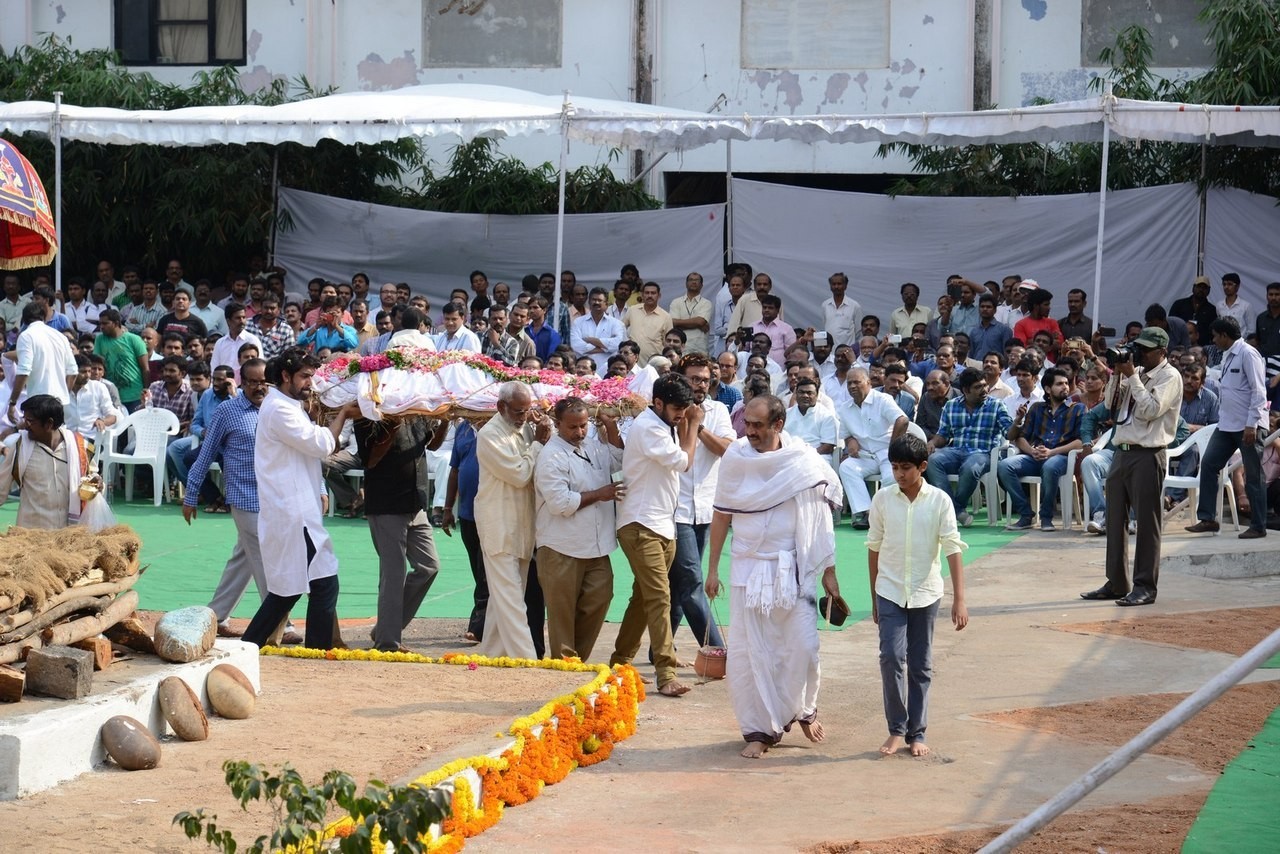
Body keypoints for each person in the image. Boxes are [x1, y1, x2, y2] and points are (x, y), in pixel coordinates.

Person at [704, 395, 843, 758]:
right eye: (746, 424)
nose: (749, 431)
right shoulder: (735, 457)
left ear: (778, 424)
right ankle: (759, 731)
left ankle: (803, 709)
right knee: (752, 653)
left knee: (804, 647)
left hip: (792, 569)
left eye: (757, 425)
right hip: (747, 569)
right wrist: (713, 567)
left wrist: (829, 572)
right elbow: (721, 515)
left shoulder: (802, 460)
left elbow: (820, 520)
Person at [241, 349, 360, 649]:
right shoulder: (280, 409)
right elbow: (320, 444)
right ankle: (258, 645)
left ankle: (257, 644)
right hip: (291, 512)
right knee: (304, 587)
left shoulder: (288, 404)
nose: (310, 383)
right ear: (285, 376)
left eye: (312, 376)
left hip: (297, 508)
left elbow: (311, 446)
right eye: (305, 377)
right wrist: (344, 413)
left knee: (308, 585)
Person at [867, 433, 968, 757]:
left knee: (920, 664)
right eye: (895, 467)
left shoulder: (939, 500)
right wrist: (873, 598)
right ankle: (896, 729)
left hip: (926, 592)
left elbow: (952, 548)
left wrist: (960, 599)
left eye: (906, 468)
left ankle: (917, 733)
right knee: (891, 658)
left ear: (922, 467)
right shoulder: (883, 499)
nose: (899, 474)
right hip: (890, 590)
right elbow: (874, 548)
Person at [182, 359, 295, 640]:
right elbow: (206, 453)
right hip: (244, 497)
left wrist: (317, 486)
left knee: (244, 557)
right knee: (266, 558)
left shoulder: (280, 408)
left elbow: (300, 450)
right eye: (253, 381)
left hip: (277, 497)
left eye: (264, 381)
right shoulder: (227, 412)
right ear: (240, 382)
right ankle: (280, 622)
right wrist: (192, 493)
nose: (260, 387)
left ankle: (216, 615)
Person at [610, 373, 700, 697]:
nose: (681, 414)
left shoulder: (664, 425)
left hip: (662, 525)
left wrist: (684, 423)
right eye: (677, 408)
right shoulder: (649, 426)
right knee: (660, 596)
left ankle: (619, 666)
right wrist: (693, 426)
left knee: (642, 599)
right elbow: (684, 462)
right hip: (640, 525)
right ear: (658, 402)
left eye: (684, 409)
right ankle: (666, 672)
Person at [1081, 327, 1182, 607]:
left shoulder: (1169, 376)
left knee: (1147, 524)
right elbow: (1112, 407)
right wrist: (1116, 372)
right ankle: (1117, 582)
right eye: (1138, 347)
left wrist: (1133, 377)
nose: (1140, 353)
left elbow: (1151, 411)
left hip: (1148, 454)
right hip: (1121, 452)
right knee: (1114, 520)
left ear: (1162, 352)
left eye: (1146, 349)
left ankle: (1145, 587)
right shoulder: (1132, 370)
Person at [534, 398, 624, 660]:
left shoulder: (595, 447)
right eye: (572, 427)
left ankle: (577, 660)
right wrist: (600, 494)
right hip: (561, 546)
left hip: (597, 546)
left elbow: (619, 460)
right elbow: (561, 503)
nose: (579, 432)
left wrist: (612, 428)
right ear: (557, 423)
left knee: (601, 598)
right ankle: (564, 667)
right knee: (561, 613)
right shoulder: (550, 456)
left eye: (584, 425)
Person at [474, 382, 552, 659]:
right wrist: (538, 443)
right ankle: (527, 660)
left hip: (522, 527)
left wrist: (540, 435)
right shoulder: (489, 435)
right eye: (518, 412)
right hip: (499, 525)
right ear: (500, 407)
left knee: (506, 598)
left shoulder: (524, 428)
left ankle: (493, 654)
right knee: (511, 599)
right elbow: (520, 474)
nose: (523, 417)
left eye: (526, 411)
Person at [356, 414, 443, 652]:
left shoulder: (416, 410)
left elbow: (432, 444)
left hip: (416, 502)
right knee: (393, 575)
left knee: (429, 566)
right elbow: (371, 460)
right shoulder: (368, 416)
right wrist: (393, 427)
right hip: (386, 505)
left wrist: (445, 420)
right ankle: (388, 642)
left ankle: (385, 628)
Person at [667, 354, 734, 662]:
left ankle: (661, 647)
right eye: (694, 379)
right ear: (681, 378)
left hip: (706, 508)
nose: (701, 385)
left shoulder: (719, 410)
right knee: (692, 581)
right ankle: (718, 649)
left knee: (677, 584)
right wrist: (685, 418)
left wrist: (699, 424)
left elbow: (726, 450)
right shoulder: (669, 411)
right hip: (674, 507)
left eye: (706, 379)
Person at [1186, 317, 1269, 538]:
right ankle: (1207, 519)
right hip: (1227, 425)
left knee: (1253, 475)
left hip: (1247, 426)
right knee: (1210, 463)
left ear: (1224, 336)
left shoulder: (1248, 354)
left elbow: (1259, 392)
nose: (1213, 340)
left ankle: (1258, 525)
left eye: (1215, 336)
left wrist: (1251, 425)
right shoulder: (1227, 355)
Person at [998, 368, 1084, 531]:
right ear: (1047, 389)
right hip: (1034, 456)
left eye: (1066, 383)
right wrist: (1031, 451)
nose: (1065, 387)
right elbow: (1020, 437)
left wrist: (1052, 452)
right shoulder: (1036, 408)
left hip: (1061, 457)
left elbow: (1080, 442)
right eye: (1059, 384)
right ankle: (1026, 514)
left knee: (1050, 466)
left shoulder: (1077, 409)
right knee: (1004, 465)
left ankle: (1046, 517)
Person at [925, 367, 1012, 527]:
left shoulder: (996, 406)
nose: (984, 390)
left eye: (985, 385)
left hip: (984, 453)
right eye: (978, 387)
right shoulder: (951, 406)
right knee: (932, 460)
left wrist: (1018, 421)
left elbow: (1009, 433)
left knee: (970, 467)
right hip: (956, 451)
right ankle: (956, 511)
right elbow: (943, 435)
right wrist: (932, 442)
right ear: (965, 390)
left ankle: (952, 510)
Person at [0, 394, 93, 528]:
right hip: (30, 536)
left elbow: (93, 478)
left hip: (69, 536)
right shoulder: (19, 447)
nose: (25, 426)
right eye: (24, 419)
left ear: (49, 423)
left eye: (30, 421)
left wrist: (96, 484)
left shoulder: (79, 447)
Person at [836, 368, 909, 529]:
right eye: (849, 383)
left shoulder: (882, 399)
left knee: (891, 476)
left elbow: (902, 420)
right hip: (864, 455)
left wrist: (893, 448)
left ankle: (879, 514)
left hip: (887, 452)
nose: (852, 386)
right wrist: (850, 442)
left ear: (868, 383)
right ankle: (863, 511)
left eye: (857, 382)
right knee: (847, 467)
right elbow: (846, 434)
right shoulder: (844, 408)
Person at [440, 419, 487, 642]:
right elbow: (455, 470)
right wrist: (448, 507)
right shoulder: (463, 428)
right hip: (467, 513)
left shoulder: (501, 426)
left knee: (485, 571)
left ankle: (478, 627)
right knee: (478, 571)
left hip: (493, 514)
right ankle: (484, 623)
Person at [10, 303, 78, 421]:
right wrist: (64, 393)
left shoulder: (26, 336)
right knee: (57, 438)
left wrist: (12, 402)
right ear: (44, 317)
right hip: (60, 402)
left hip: (39, 402)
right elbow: (73, 371)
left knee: (35, 438)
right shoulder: (60, 336)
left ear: (24, 320)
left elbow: (24, 371)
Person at [668, 272, 715, 355]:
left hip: (699, 349)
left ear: (701, 285)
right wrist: (696, 323)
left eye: (696, 280)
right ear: (686, 284)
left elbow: (700, 321)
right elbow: (673, 323)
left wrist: (680, 323)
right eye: (691, 280)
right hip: (679, 348)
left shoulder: (706, 303)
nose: (694, 282)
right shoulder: (676, 302)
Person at [821, 272, 861, 348]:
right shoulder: (825, 305)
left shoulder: (855, 306)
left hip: (848, 352)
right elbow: (825, 327)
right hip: (830, 352)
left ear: (845, 286)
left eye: (839, 284)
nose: (836, 286)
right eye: (833, 284)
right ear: (830, 286)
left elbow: (858, 332)